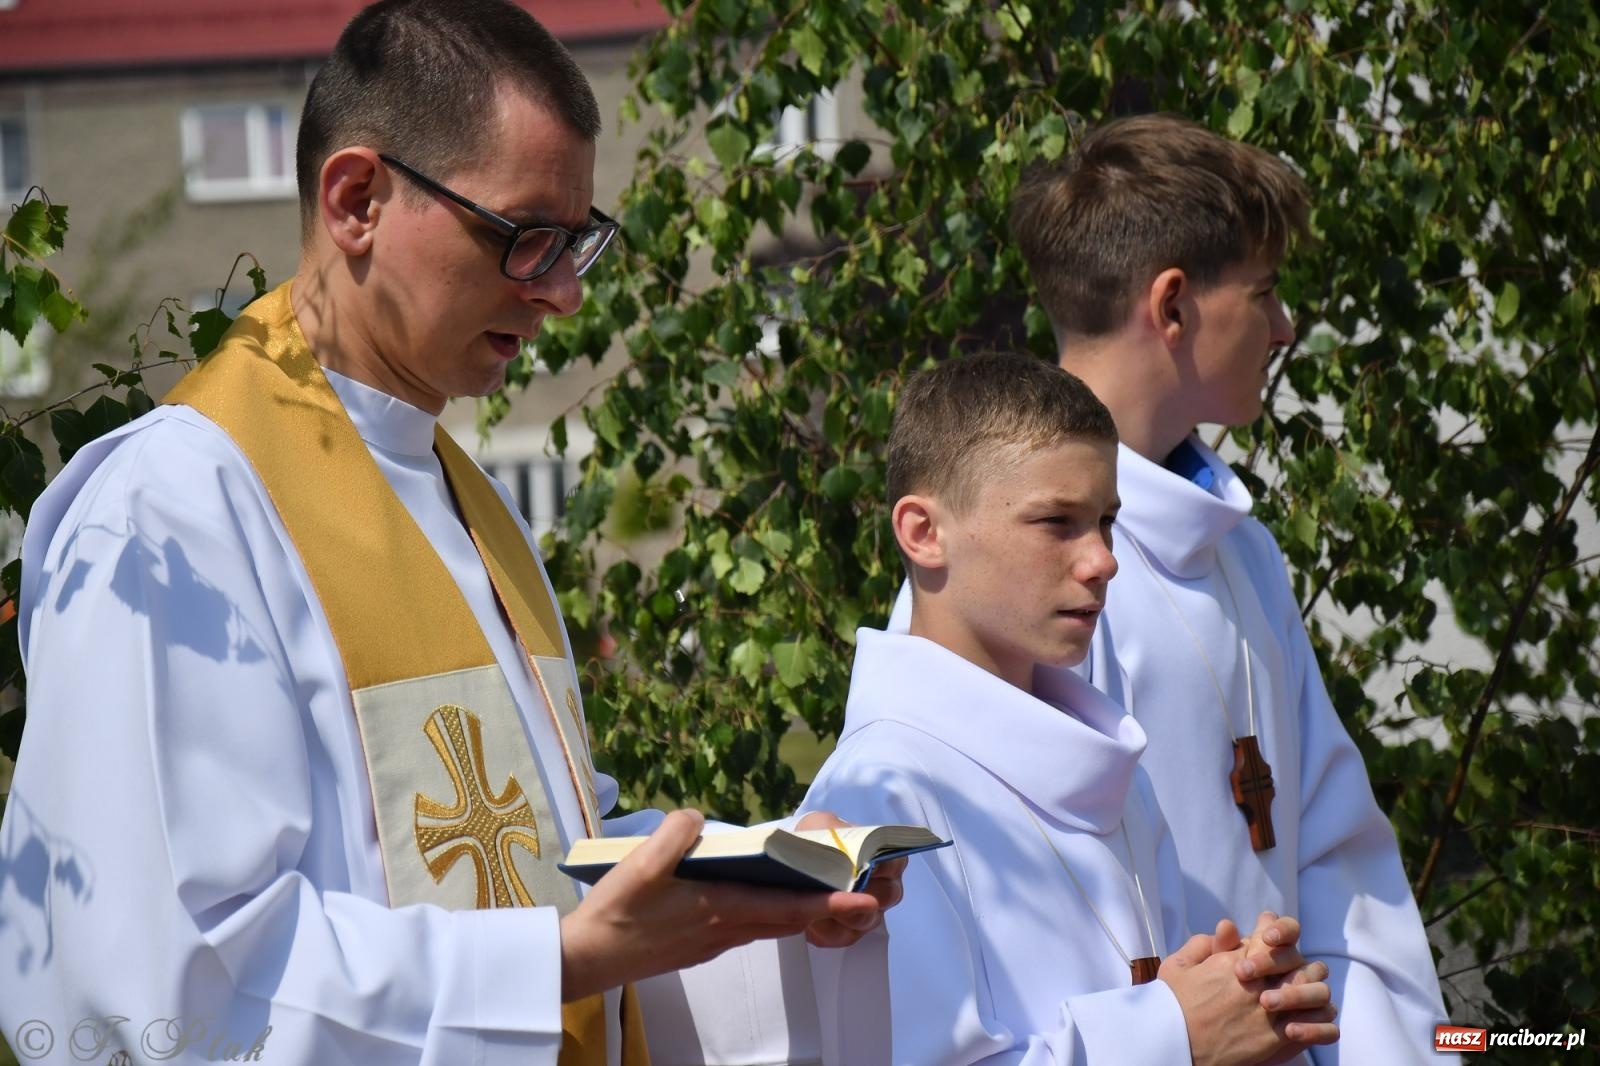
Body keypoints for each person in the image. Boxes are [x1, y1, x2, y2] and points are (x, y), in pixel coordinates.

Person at [0, 2, 900, 1064]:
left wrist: (752, 889)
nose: (562, 293)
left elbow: (542, 842)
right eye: (524, 237)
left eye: (576, 244)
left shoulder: (469, 494)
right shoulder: (172, 509)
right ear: (357, 200)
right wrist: (553, 964)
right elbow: (153, 982)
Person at [1005, 113, 1454, 1064]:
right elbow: (1025, 921)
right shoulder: (1007, 574)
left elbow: (1335, 866)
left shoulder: (1243, 554)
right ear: (1171, 309)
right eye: (1264, 292)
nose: (1284, 327)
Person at [806, 351, 1340, 1064]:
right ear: (923, 533)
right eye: (1057, 523)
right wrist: (1177, 1036)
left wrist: (1244, 996)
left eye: (1107, 522)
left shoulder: (1112, 768)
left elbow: (1165, 1001)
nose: (1103, 561)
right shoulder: (879, 792)